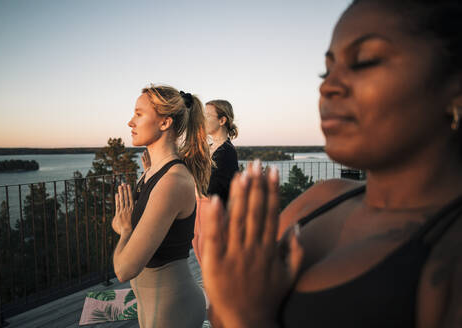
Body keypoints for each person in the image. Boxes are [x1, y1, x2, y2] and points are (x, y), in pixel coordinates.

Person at [200, 1, 462, 327]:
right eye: (327, 70)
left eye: (365, 61)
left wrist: (247, 316)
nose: (328, 86)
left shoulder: (449, 257)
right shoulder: (322, 198)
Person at [112, 85, 211, 328]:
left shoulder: (173, 182)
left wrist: (126, 230)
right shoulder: (150, 174)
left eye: (138, 114)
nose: (130, 122)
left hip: (174, 309)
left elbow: (124, 269)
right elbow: (131, 227)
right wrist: (126, 227)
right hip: (152, 306)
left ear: (165, 123)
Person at [192, 100, 239, 264]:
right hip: (200, 215)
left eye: (207, 115)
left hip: (213, 219)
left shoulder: (227, 152)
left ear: (222, 120)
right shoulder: (210, 147)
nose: (202, 119)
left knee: (212, 270)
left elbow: (211, 189)